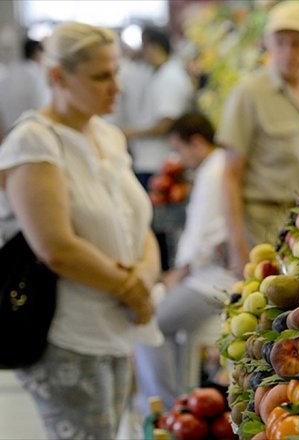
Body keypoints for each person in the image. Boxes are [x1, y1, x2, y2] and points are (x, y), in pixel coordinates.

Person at [0, 22, 161, 438]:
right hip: (67, 334)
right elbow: (56, 247)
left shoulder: (107, 135)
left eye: (117, 73)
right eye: (100, 76)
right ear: (58, 77)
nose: (116, 87)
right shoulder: (34, 142)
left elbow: (138, 221)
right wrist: (132, 288)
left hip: (117, 328)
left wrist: (146, 275)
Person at [216, 0, 299, 278]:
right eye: (280, 42)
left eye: (297, 43)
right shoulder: (248, 94)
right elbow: (230, 176)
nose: (288, 52)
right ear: (267, 44)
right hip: (263, 226)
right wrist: (237, 246)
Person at [134, 112, 235, 413]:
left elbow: (210, 235)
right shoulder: (214, 168)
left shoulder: (215, 172)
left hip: (212, 281)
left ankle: (166, 410)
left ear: (197, 142)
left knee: (149, 323)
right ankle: (177, 398)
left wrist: (180, 272)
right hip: (203, 274)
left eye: (179, 149)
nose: (178, 158)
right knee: (162, 320)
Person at [122, 27, 194, 189]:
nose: (142, 52)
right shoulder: (155, 73)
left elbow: (166, 123)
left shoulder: (171, 77)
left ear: (154, 47)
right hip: (148, 159)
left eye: (144, 46)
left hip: (159, 161)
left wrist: (131, 133)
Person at [0, 37, 50, 137]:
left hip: (11, 133)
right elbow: (43, 105)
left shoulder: (9, 74)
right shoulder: (37, 74)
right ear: (37, 53)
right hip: (35, 132)